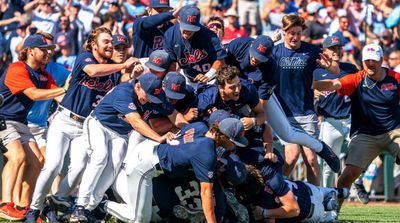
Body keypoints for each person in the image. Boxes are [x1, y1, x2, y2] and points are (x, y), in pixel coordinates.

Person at [25, 27, 138, 222]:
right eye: (106, 41)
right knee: (53, 165)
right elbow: (92, 71)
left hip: (85, 125)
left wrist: (134, 71)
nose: (110, 45)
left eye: (112, 42)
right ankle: (34, 209)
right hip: (64, 119)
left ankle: (56, 200)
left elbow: (126, 81)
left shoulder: (113, 69)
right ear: (94, 45)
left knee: (78, 167)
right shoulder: (85, 57)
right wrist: (122, 66)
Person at [70, 73, 187, 222]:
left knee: (113, 166)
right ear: (138, 86)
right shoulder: (125, 92)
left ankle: (90, 207)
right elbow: (136, 122)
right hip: (99, 124)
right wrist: (159, 138)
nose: (151, 100)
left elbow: (175, 115)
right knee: (100, 157)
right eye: (148, 96)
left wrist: (189, 132)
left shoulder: (156, 94)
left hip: (120, 133)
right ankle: (80, 205)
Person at [225, 34, 341, 174]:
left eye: (261, 57)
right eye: (254, 54)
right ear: (251, 45)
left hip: (253, 93)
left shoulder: (271, 68)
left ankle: (321, 148)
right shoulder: (239, 44)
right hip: (230, 88)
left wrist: (254, 119)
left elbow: (261, 105)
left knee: (288, 135)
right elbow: (220, 63)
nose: (255, 59)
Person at [101, 118, 248, 223]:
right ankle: (101, 203)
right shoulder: (207, 154)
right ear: (223, 136)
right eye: (233, 141)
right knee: (139, 219)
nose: (233, 146)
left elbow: (180, 138)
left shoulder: (200, 126)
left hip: (145, 148)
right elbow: (206, 193)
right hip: (145, 167)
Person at [312, 43, 400, 208]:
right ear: (362, 61)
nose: (370, 64)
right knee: (348, 175)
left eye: (374, 60)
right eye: (367, 61)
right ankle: (333, 210)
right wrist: (310, 84)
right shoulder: (356, 78)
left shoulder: (396, 78)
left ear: (382, 60)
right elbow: (333, 84)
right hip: (365, 134)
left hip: (394, 131)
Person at [0, 34, 66, 221]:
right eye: (43, 50)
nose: (48, 53)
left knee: (38, 161)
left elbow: (60, 97)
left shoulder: (44, 74)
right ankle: (5, 205)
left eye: (49, 50)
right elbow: (35, 95)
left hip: (19, 122)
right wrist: (65, 88)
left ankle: (24, 206)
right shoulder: (17, 68)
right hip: (2, 119)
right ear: (30, 51)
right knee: (17, 156)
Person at [273, 14, 340, 185]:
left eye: (298, 33)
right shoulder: (275, 51)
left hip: (306, 113)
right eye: (291, 33)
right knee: (291, 156)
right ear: (284, 32)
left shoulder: (311, 50)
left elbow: (335, 70)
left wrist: (328, 65)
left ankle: (315, 200)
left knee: (311, 159)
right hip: (283, 113)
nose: (295, 37)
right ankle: (275, 192)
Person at [313, 36, 358, 188]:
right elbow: (304, 90)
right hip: (329, 121)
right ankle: (328, 197)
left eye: (339, 47)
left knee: (361, 152)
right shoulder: (316, 72)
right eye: (332, 48)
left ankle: (358, 182)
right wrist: (312, 92)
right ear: (324, 51)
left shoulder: (350, 69)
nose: (336, 51)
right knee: (328, 166)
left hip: (350, 119)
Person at [163, 5, 226, 88]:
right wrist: (168, 79)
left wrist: (208, 76)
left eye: (192, 28)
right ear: (178, 19)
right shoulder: (170, 35)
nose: (188, 31)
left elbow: (220, 60)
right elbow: (172, 63)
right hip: (187, 78)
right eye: (185, 27)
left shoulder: (209, 36)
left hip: (211, 79)